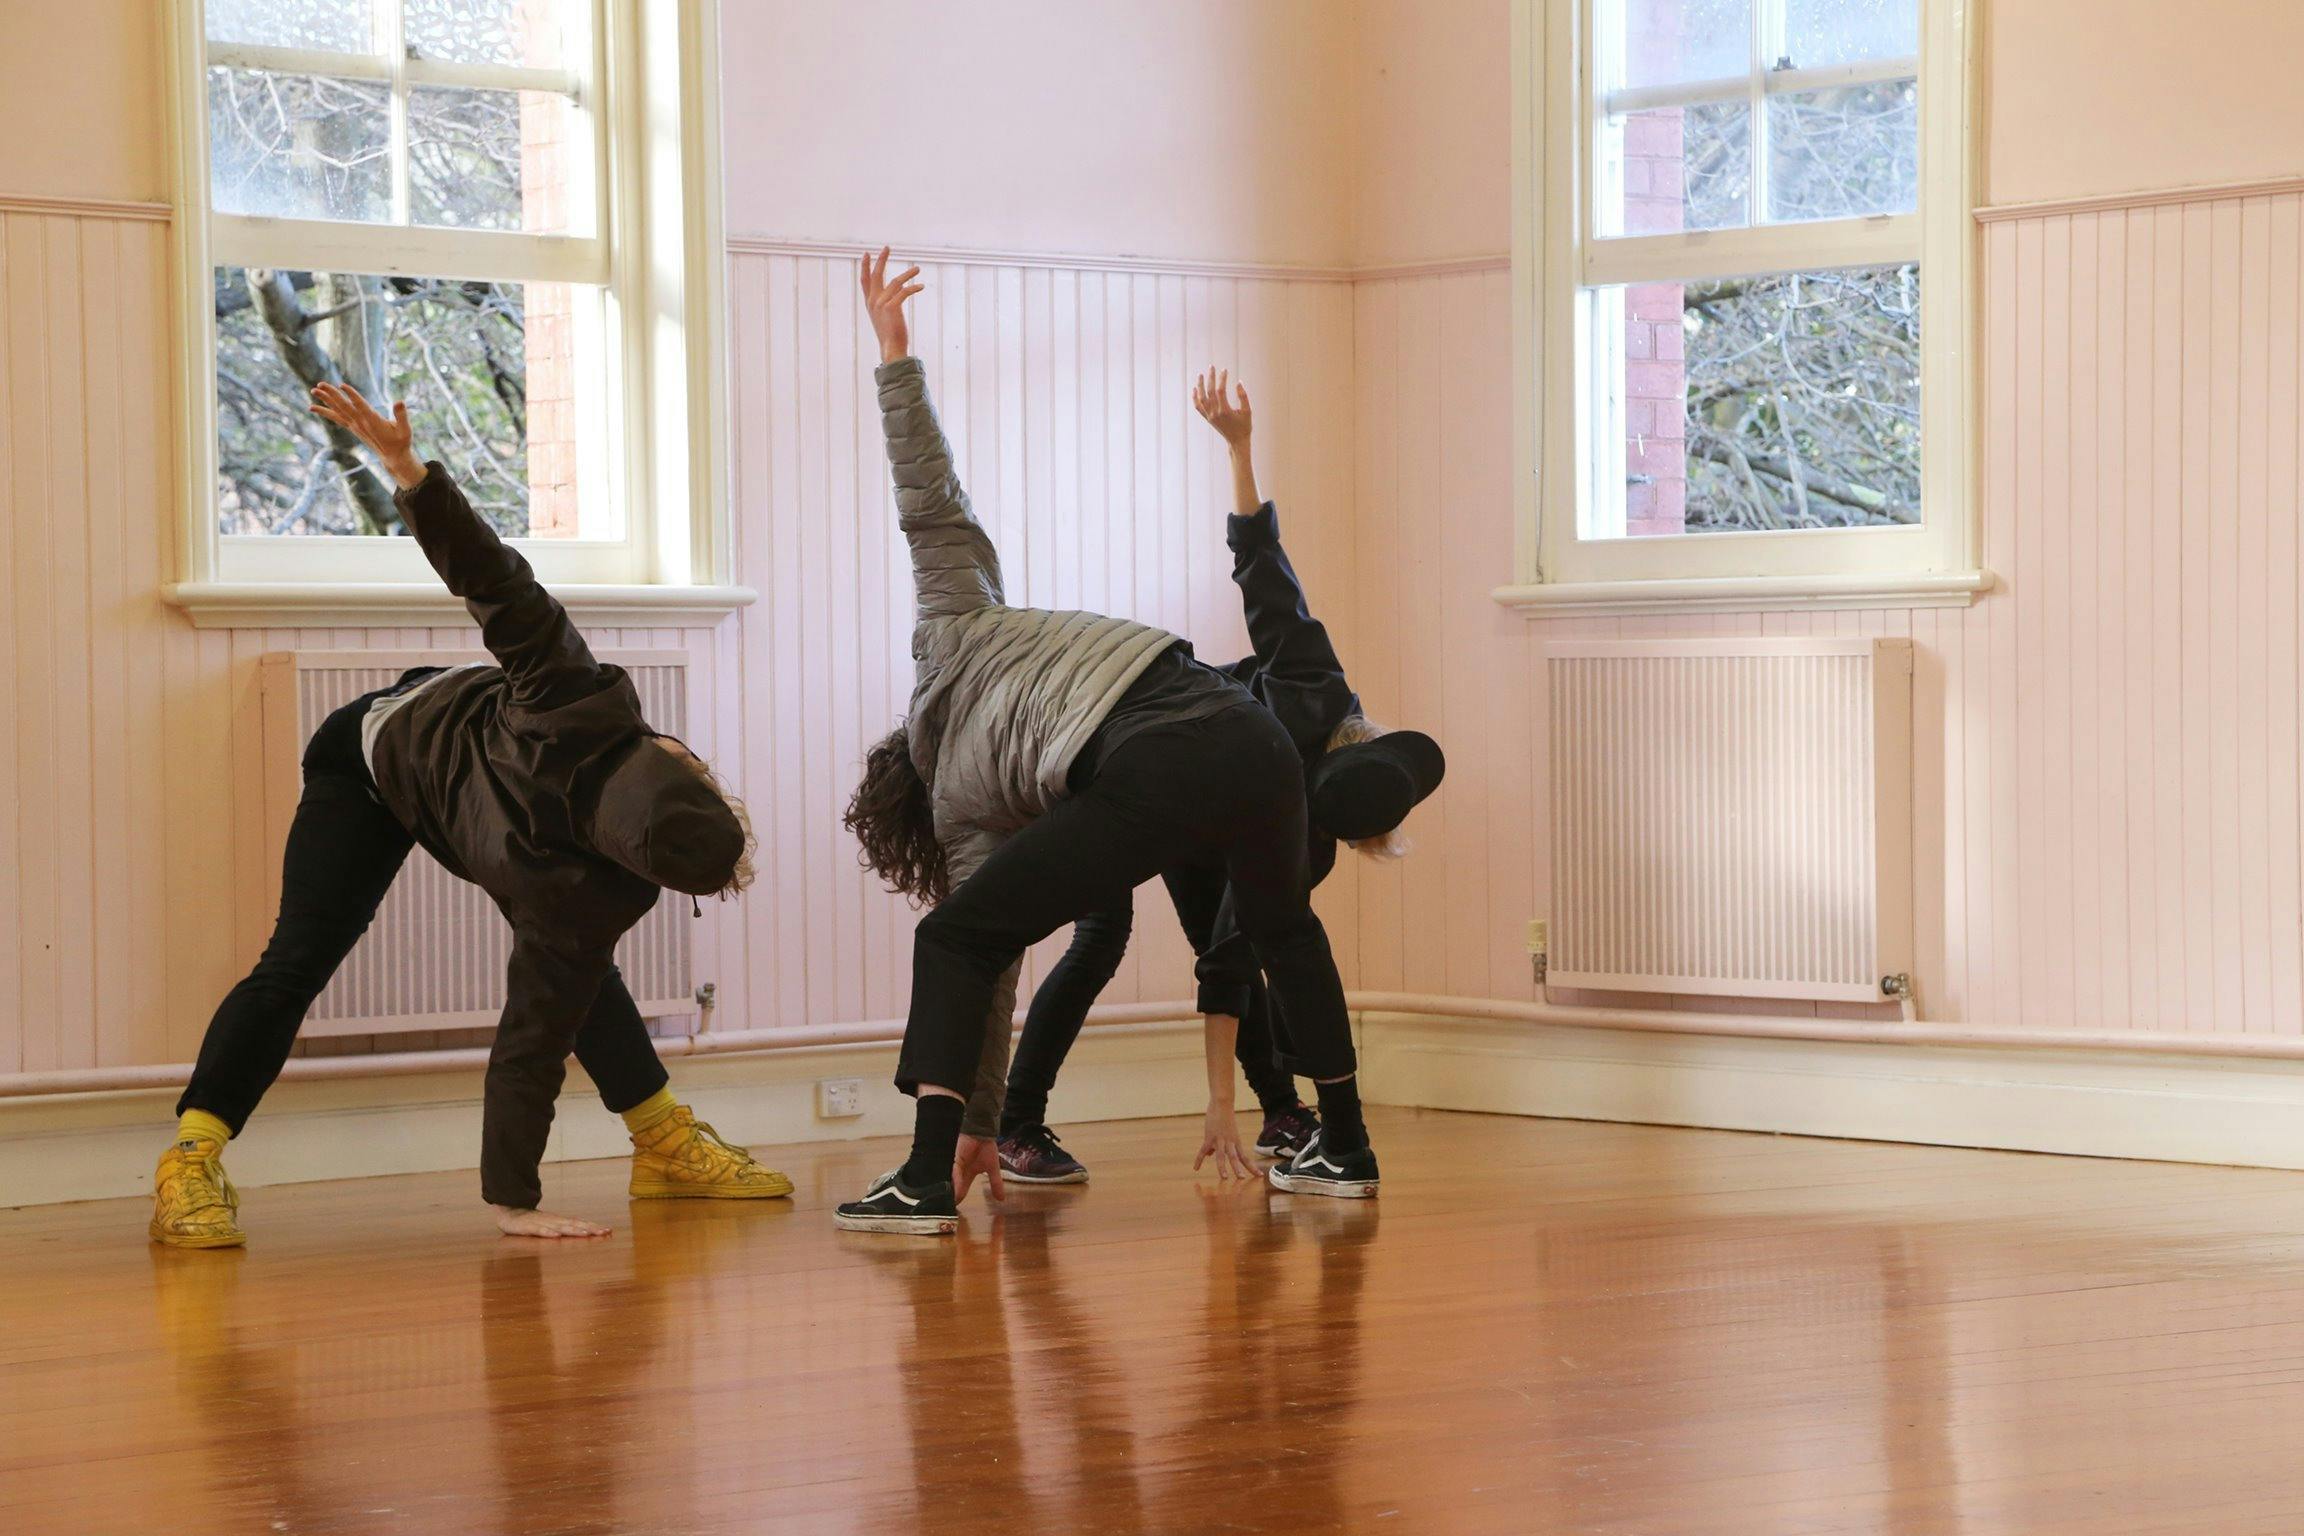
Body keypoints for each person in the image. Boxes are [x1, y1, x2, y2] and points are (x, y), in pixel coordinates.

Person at [150, 384, 792, 1248]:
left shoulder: (582, 885)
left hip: (491, 826)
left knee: (576, 971)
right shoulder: (570, 693)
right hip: (373, 761)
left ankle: (664, 1146)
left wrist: (513, 1201)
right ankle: (190, 1159)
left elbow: (532, 1039)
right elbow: (489, 573)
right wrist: (406, 471)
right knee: (298, 957)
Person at [834, 249, 1391, 1235]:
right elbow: (930, 494)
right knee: (1285, 934)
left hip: (1157, 752)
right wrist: (893, 353)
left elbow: (985, 969)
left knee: (954, 936)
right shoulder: (961, 614)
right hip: (1249, 736)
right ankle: (1344, 1146)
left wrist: (974, 1122)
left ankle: (922, 1179)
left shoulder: (963, 795)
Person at [997, 367, 1443, 1185]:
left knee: (1233, 940)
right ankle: (1015, 1122)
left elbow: (1226, 963)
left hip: (1197, 804)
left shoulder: (1298, 831)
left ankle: (1280, 1110)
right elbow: (1263, 568)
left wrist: (1227, 1103)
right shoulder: (1311, 690)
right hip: (1130, 749)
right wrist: (1240, 449)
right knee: (1102, 935)